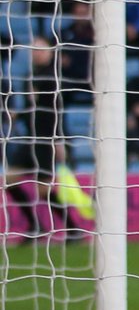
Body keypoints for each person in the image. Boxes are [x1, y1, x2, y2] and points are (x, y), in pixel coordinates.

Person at [2, 37, 91, 244]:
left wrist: (58, 140)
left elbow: (55, 114)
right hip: (31, 138)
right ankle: (36, 226)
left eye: (41, 50)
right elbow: (33, 111)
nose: (37, 53)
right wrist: (18, 115)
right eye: (34, 50)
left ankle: (73, 229)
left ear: (50, 52)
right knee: (9, 180)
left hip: (48, 141)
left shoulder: (53, 79)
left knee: (43, 190)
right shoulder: (29, 77)